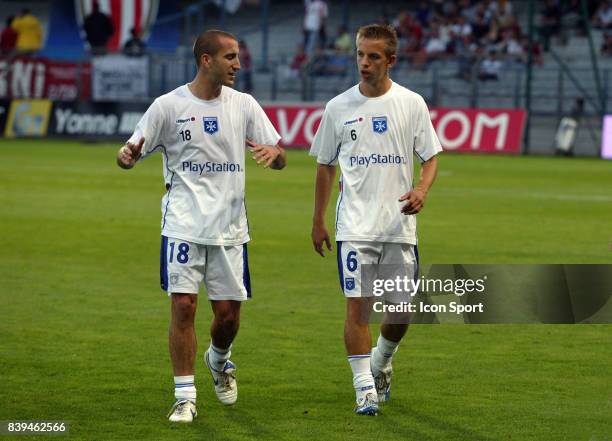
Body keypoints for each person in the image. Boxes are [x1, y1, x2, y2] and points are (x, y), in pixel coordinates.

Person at [116, 29, 286, 423]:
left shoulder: (243, 105)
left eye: (238, 57)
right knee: (183, 306)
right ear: (206, 60)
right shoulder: (167, 106)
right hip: (183, 224)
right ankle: (184, 396)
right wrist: (126, 157)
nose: (238, 65)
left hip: (229, 228)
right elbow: (130, 152)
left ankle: (219, 359)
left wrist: (273, 155)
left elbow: (281, 156)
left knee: (227, 317)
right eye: (230, 57)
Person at [309, 24, 441, 416]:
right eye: (360, 55)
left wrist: (422, 189)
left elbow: (430, 155)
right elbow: (324, 165)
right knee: (358, 308)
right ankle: (363, 388)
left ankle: (382, 360)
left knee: (401, 312)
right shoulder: (338, 107)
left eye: (373, 57)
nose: (364, 63)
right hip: (355, 226)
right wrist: (318, 220)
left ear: (391, 60)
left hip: (398, 225)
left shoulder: (411, 103)